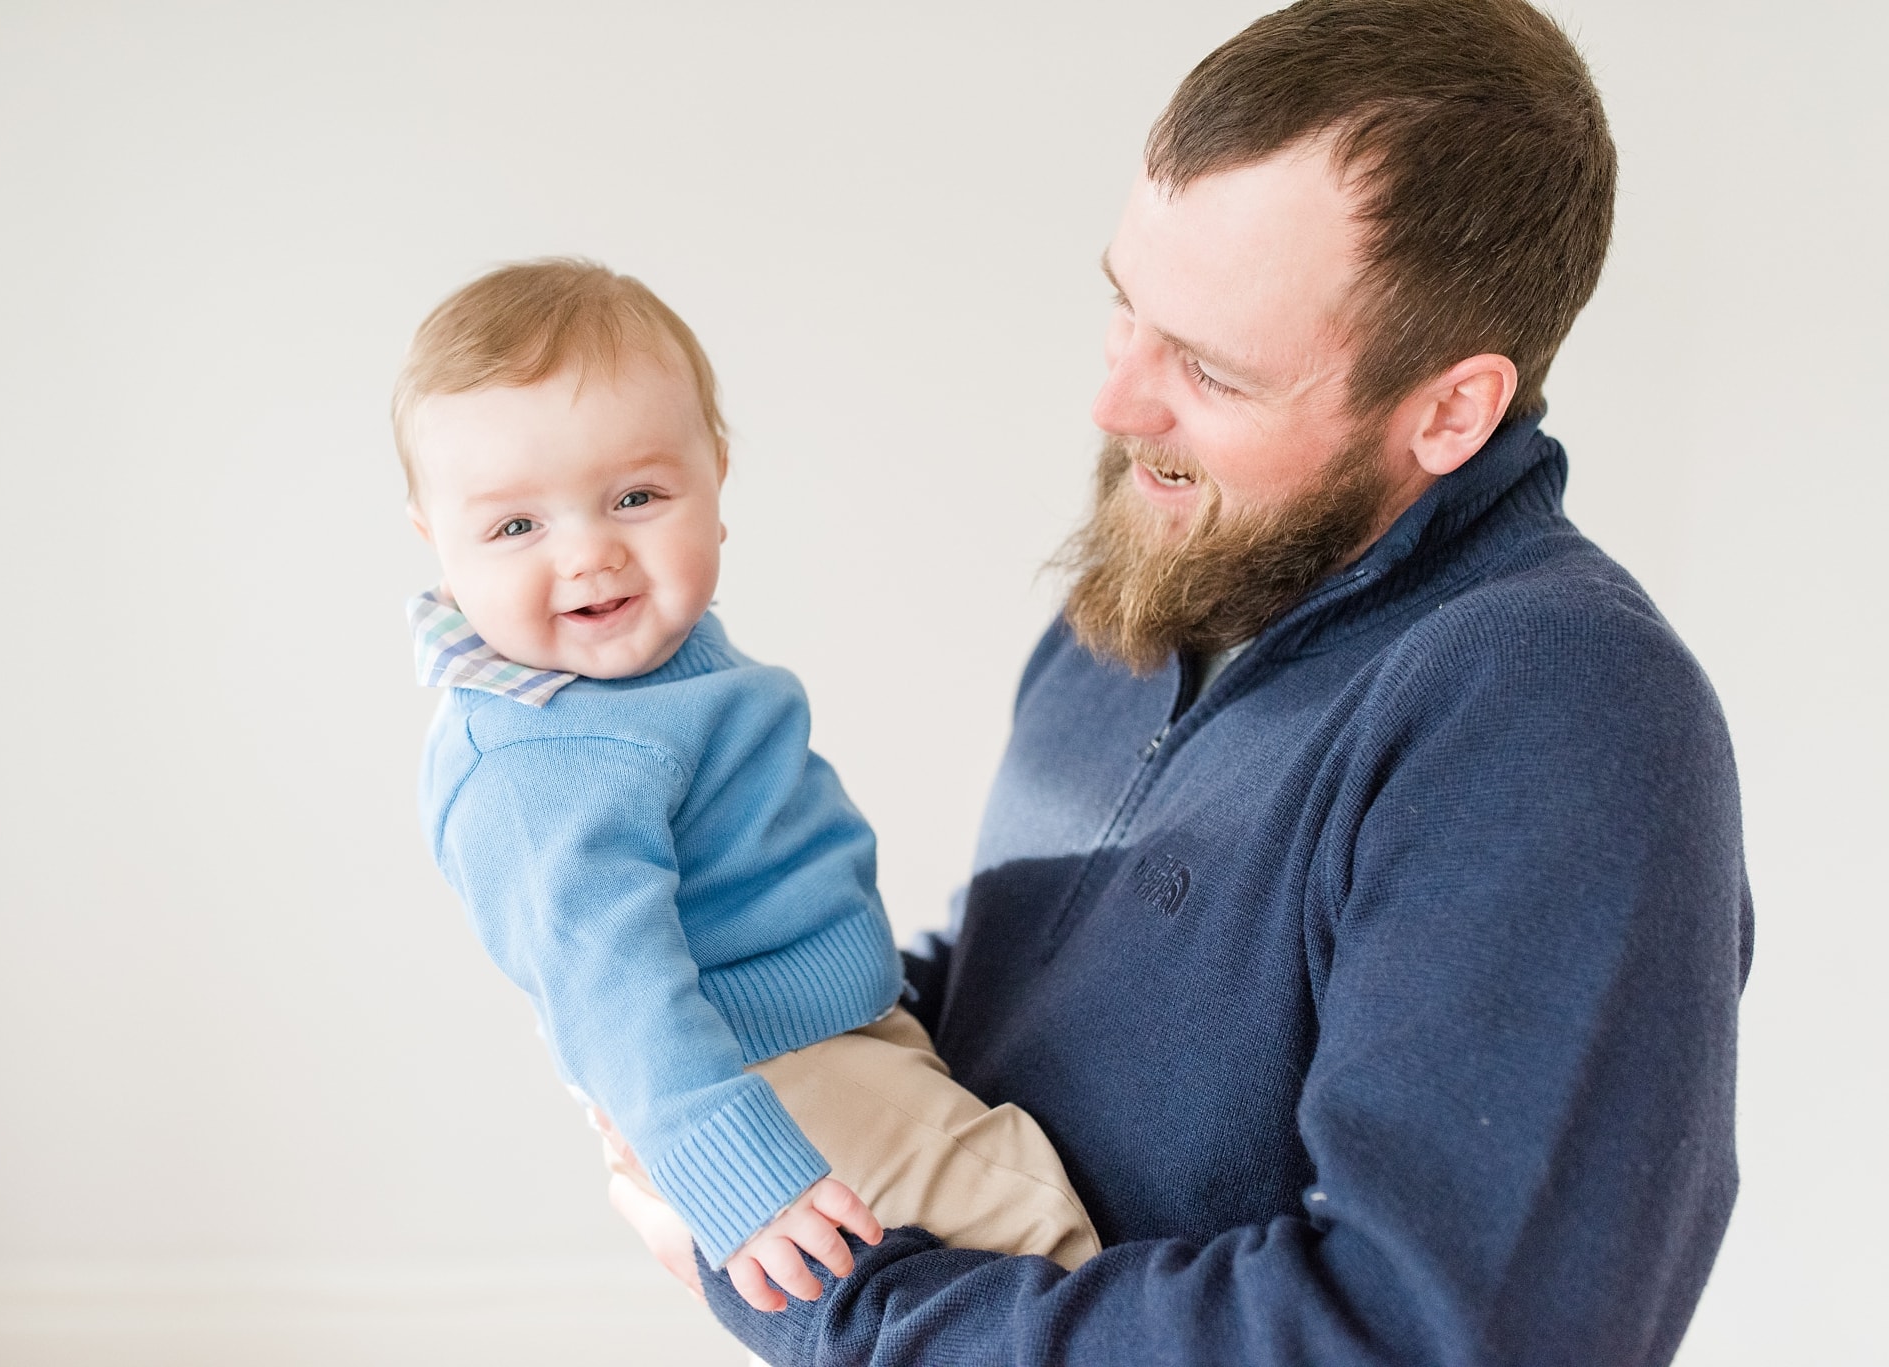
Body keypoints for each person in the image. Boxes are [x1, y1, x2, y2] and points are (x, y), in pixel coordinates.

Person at [605, 1, 1752, 1363]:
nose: (1120, 402)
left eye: (1209, 369)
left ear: (1450, 409)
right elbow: (1018, 1021)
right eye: (1124, 310)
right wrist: (715, 1046)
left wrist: (833, 1304)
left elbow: (1437, 1334)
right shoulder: (1162, 585)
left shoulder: (1557, 703)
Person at [396, 261, 1101, 1313]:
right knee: (1028, 1215)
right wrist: (738, 1175)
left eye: (635, 497)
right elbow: (608, 990)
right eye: (515, 527)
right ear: (437, 547)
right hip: (760, 1073)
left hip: (827, 1031)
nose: (589, 554)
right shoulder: (536, 758)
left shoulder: (639, 669)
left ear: (714, 478)